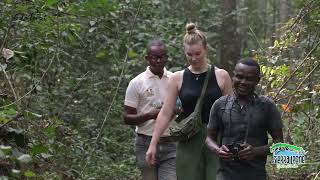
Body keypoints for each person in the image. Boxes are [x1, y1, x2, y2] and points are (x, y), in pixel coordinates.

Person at [146, 23, 233, 180]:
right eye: (189, 54)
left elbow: (232, 112)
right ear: (184, 52)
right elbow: (165, 113)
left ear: (205, 49)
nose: (194, 58)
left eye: (198, 53)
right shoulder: (177, 78)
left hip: (217, 138)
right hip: (190, 139)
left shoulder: (221, 76)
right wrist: (153, 144)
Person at [206, 58, 284, 180]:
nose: (243, 82)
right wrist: (218, 150)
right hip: (225, 174)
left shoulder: (267, 106)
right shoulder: (220, 104)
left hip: (255, 174)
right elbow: (209, 138)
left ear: (257, 80)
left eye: (249, 79)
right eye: (239, 77)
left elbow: (279, 143)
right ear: (233, 77)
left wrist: (255, 151)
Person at [123, 40, 177, 180]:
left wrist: (175, 111)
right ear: (147, 58)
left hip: (171, 142)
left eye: (162, 56)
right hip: (145, 142)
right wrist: (150, 115)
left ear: (166, 57)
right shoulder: (137, 83)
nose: (158, 61)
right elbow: (127, 117)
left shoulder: (175, 79)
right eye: (154, 57)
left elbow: (182, 107)